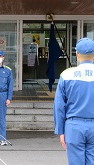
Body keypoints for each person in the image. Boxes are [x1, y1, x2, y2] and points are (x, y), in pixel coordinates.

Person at [54, 37, 94, 165]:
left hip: (74, 125)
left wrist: (60, 131)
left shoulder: (66, 75)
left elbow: (59, 106)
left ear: (76, 54)